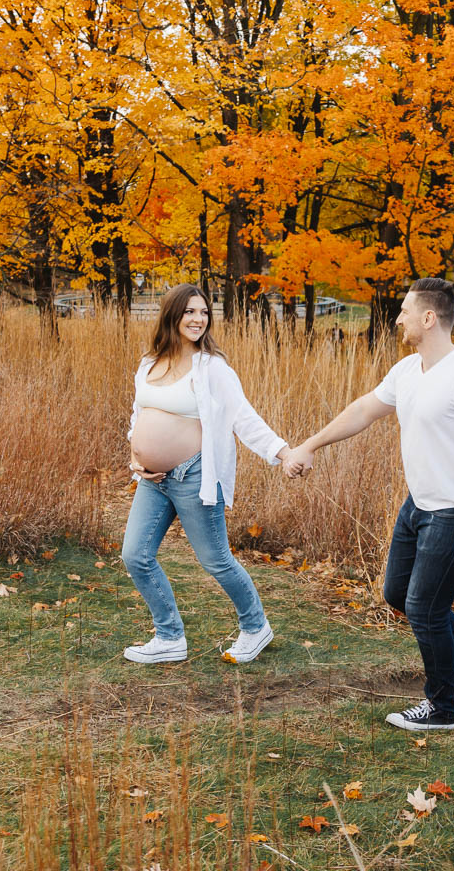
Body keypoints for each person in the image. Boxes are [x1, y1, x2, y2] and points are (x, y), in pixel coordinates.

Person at [283, 278, 454, 731]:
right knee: (398, 595)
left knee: (425, 607)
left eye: (405, 311)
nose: (398, 318)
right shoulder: (408, 370)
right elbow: (363, 411)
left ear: (429, 318)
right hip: (418, 506)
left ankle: (441, 709)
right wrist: (310, 444)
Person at [122, 284, 291, 665]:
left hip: (194, 475)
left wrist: (281, 452)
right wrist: (136, 454)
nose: (199, 319)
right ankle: (169, 637)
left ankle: (255, 627)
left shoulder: (211, 367)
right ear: (172, 315)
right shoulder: (149, 363)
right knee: (136, 555)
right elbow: (138, 415)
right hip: (153, 480)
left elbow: (243, 417)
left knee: (215, 559)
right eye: (190, 312)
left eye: (203, 313)